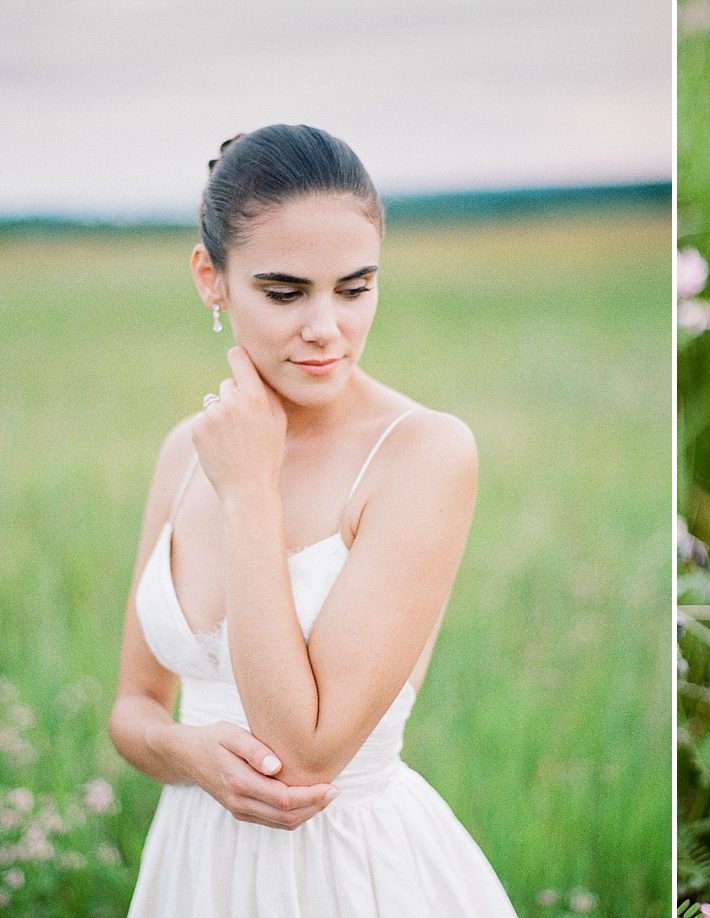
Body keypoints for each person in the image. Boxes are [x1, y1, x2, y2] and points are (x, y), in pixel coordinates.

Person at [108, 124, 519, 916]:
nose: (326, 328)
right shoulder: (185, 453)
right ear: (211, 278)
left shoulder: (423, 454)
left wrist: (251, 493)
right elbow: (134, 705)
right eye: (286, 292)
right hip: (196, 870)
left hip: (351, 872)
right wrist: (189, 753)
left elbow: (302, 756)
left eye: (355, 288)